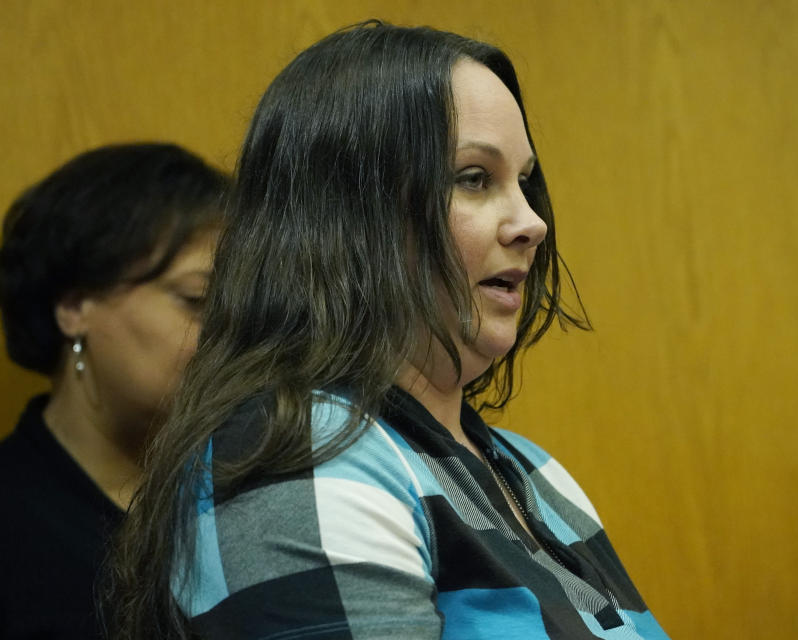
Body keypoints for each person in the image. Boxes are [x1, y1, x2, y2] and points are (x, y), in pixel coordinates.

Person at [111, 22, 671, 639]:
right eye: (475, 178)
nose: (531, 222)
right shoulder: (295, 450)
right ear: (347, 215)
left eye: (525, 181)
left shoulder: (532, 468)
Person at [0, 143, 229, 639]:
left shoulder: (249, 486)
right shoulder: (15, 518)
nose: (224, 332)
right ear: (74, 306)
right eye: (197, 299)